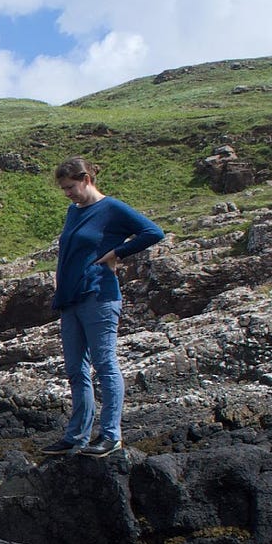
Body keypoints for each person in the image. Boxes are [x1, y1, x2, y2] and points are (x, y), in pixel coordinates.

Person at [40, 157, 164, 458]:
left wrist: (117, 253)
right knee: (75, 369)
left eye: (70, 187)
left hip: (99, 296)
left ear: (85, 179)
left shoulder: (112, 208)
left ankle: (110, 436)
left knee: (105, 364)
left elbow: (153, 232)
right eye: (63, 189)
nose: (67, 193)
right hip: (71, 300)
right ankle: (77, 436)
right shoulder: (74, 212)